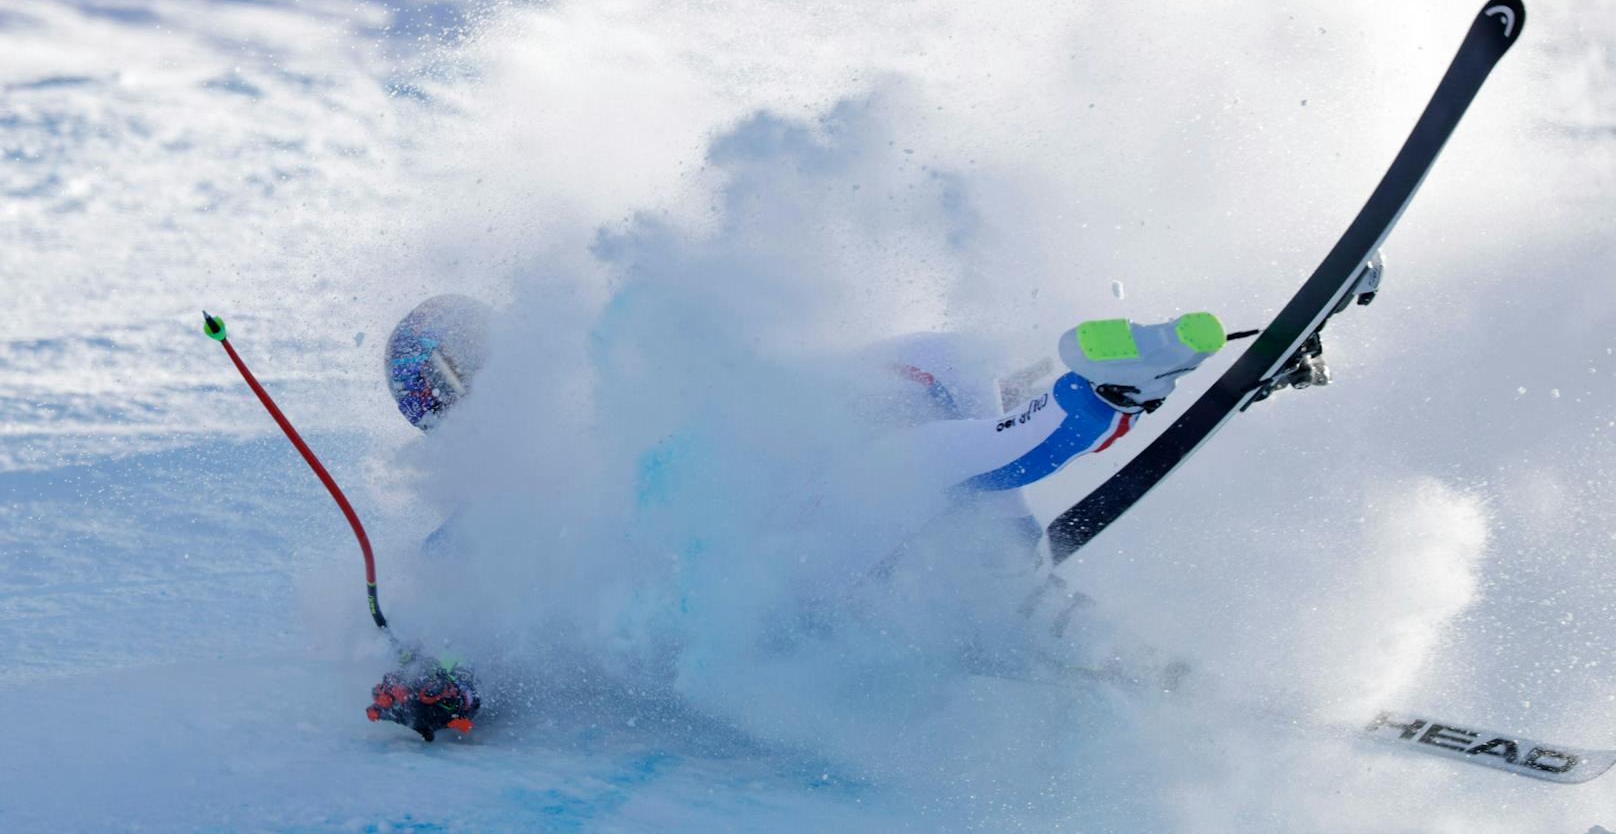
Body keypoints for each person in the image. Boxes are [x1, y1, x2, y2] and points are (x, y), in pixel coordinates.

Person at [370, 296, 1234, 736]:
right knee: (903, 470)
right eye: (461, 382)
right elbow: (464, 617)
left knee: (923, 377)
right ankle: (1086, 405)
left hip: (866, 528)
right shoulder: (504, 509)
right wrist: (435, 677)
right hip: (782, 593)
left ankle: (1063, 421)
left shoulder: (620, 372)